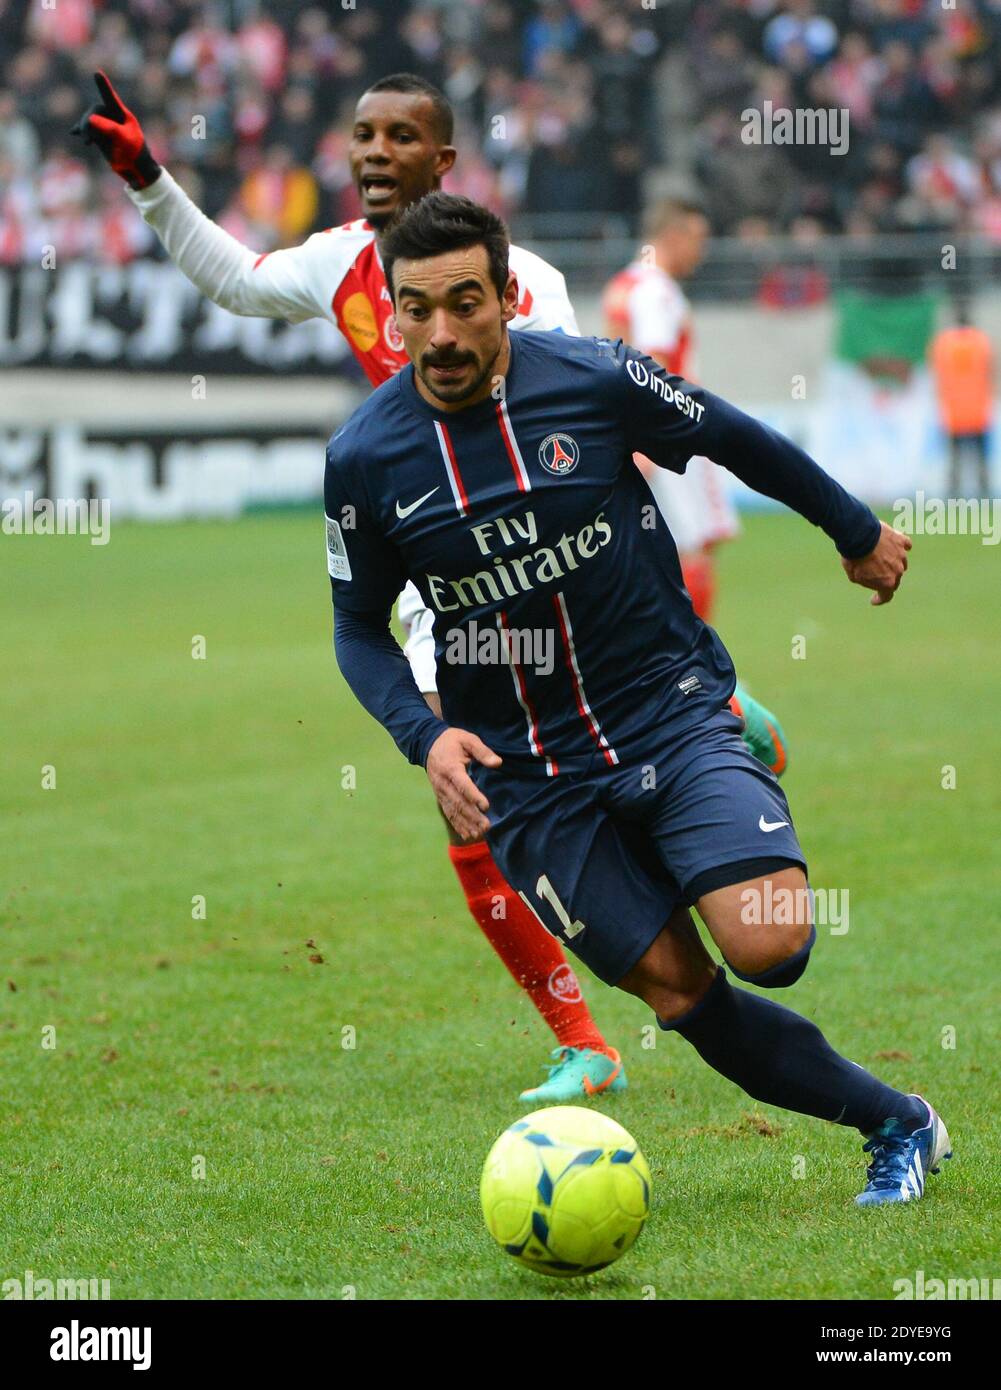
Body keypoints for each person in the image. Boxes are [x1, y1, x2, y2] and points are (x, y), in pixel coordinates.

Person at [325, 191, 951, 1207]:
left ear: (505, 297)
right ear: (392, 311)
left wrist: (851, 530)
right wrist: (424, 734)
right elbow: (357, 628)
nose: (439, 333)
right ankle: (897, 1120)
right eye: (416, 309)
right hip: (527, 777)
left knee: (769, 943)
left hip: (660, 706)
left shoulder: (593, 377)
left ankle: (720, 752)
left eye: (464, 304)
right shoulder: (362, 459)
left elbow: (733, 437)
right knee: (678, 989)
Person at [71, 68, 624, 1103]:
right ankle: (582, 1039)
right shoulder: (339, 263)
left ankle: (721, 711)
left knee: (611, 759)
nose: (371, 152)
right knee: (468, 803)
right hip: (435, 582)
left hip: (548, 566)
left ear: (442, 159)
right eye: (361, 135)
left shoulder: (524, 281)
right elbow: (234, 280)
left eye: (398, 136)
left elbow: (577, 416)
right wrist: (147, 177)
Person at [603, 195, 787, 775]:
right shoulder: (657, 290)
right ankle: (694, 674)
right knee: (687, 554)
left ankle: (684, 666)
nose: (701, 251)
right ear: (673, 234)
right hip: (671, 441)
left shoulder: (624, 284)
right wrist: (650, 440)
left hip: (645, 441)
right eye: (697, 238)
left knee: (670, 555)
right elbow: (652, 368)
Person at [929, 302, 994, 499]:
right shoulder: (981, 341)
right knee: (980, 458)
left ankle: (954, 495)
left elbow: (937, 373)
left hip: (953, 411)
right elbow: (990, 370)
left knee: (955, 458)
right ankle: (984, 494)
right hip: (977, 410)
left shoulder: (944, 343)